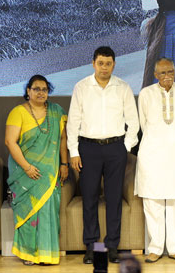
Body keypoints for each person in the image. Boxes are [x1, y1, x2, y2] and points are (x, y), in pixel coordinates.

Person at [67, 46, 140, 264]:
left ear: (114, 64)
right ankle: (92, 247)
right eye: (100, 63)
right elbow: (73, 122)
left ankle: (112, 246)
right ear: (93, 64)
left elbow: (133, 121)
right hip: (88, 149)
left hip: (115, 148)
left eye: (108, 63)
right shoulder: (81, 87)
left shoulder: (123, 87)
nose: (104, 67)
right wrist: (73, 151)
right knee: (89, 198)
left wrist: (125, 147)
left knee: (114, 198)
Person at [3, 75, 68, 265]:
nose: (41, 92)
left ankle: (47, 254)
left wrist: (64, 164)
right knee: (28, 211)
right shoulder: (18, 112)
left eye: (45, 89)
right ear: (28, 91)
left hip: (49, 173)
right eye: (36, 89)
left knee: (48, 212)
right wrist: (27, 167)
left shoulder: (57, 112)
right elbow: (10, 141)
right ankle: (29, 254)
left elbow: (63, 140)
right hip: (25, 173)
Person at [136, 58, 175, 263]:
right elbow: (144, 124)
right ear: (155, 75)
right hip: (152, 154)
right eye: (163, 73)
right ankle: (155, 248)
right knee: (153, 202)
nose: (167, 76)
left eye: (170, 71)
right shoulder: (145, 94)